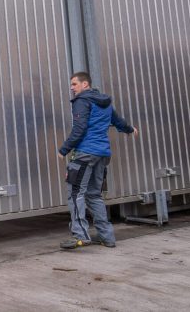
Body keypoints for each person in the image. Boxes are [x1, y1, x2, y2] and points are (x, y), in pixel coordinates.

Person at [58, 71, 137, 249]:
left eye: (74, 84)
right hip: (102, 154)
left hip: (85, 153)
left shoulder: (82, 101)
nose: (72, 88)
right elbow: (118, 121)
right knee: (93, 195)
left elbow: (79, 128)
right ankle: (107, 237)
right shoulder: (105, 102)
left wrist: (64, 149)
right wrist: (130, 129)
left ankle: (81, 235)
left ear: (85, 84)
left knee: (75, 193)